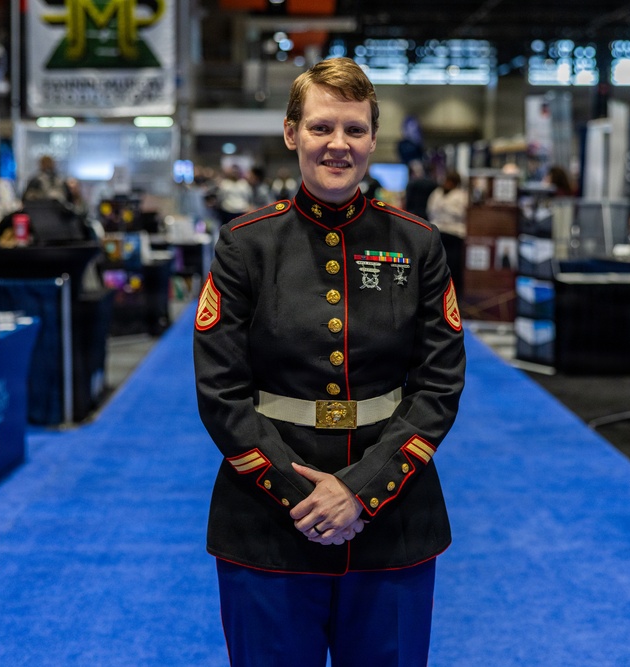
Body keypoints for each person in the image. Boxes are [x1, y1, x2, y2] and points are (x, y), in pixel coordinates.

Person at [193, 57, 466, 667]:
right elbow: (220, 391)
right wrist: (303, 495)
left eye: (354, 129)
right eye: (321, 127)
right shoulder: (245, 245)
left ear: (372, 139)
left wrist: (360, 493)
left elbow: (439, 384)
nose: (338, 144)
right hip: (267, 520)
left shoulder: (418, 244)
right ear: (292, 133)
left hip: (392, 522)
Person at [426, 169, 469, 299]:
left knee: (453, 265)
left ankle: (453, 293)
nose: (447, 183)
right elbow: (430, 210)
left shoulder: (462, 195)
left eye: (450, 181)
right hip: (438, 231)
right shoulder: (437, 193)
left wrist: (446, 208)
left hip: (455, 233)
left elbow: (463, 213)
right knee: (436, 263)